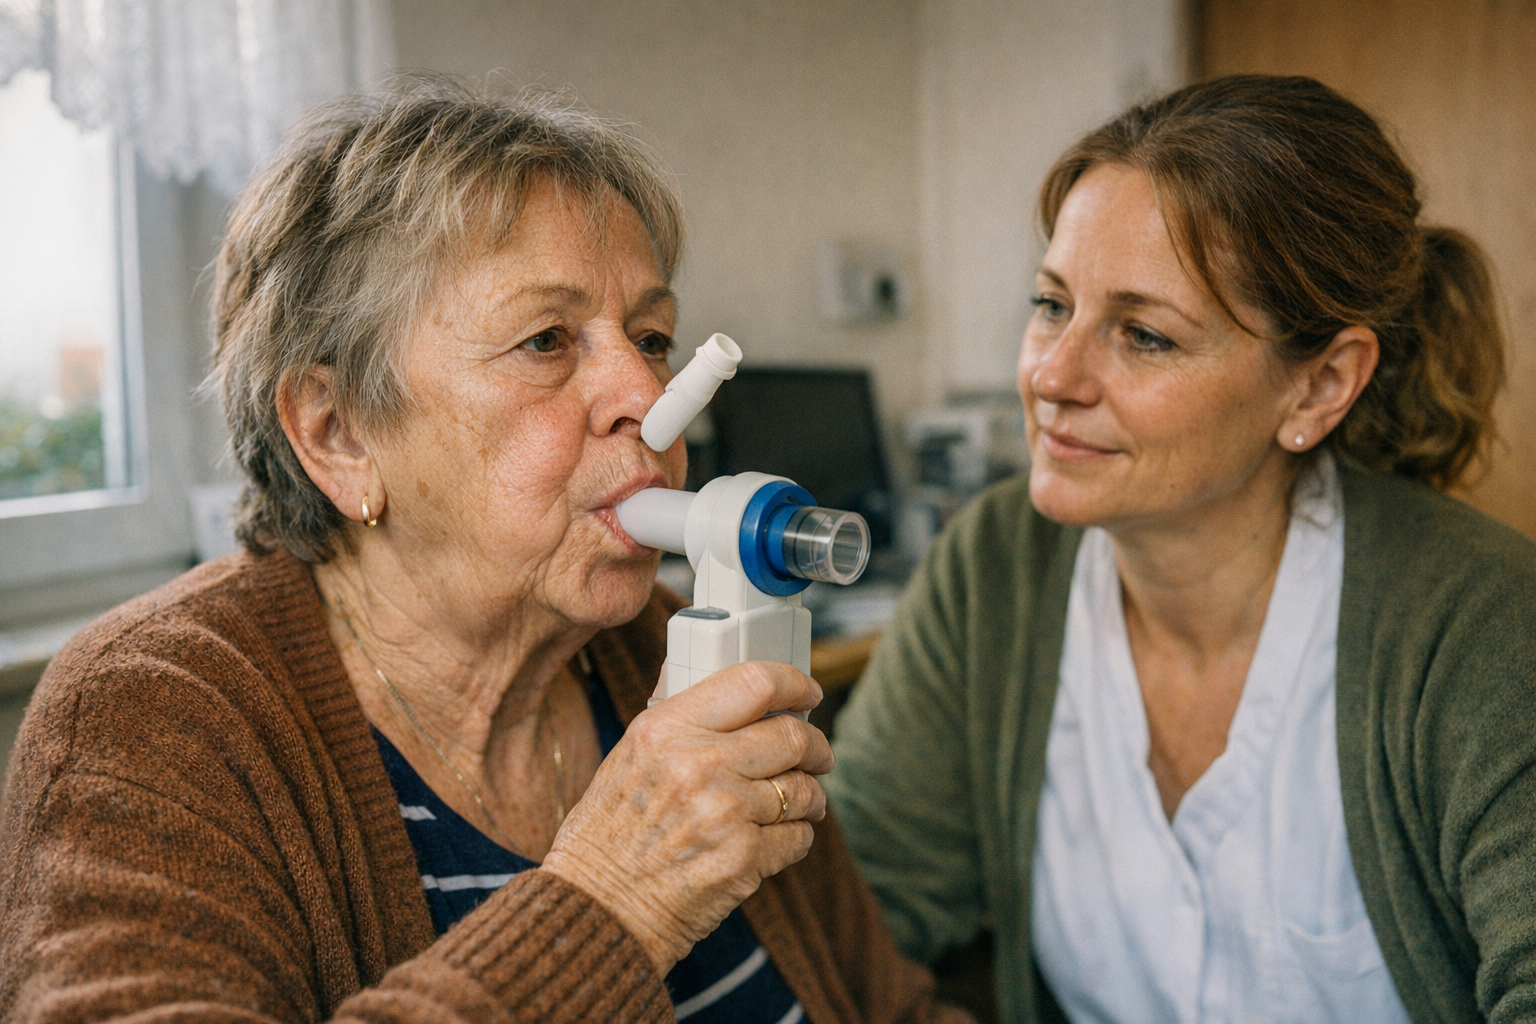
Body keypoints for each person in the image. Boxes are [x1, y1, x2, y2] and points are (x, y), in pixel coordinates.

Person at [0, 79, 967, 1024]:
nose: (644, 391)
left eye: (653, 336)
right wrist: (613, 901)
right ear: (337, 435)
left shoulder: (667, 649)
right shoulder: (153, 717)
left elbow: (886, 1004)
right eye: (547, 340)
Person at [825, 74, 1536, 1024]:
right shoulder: (997, 564)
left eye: (1145, 335)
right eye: (1050, 305)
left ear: (1320, 386)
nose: (1051, 375)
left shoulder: (1481, 627)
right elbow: (860, 912)